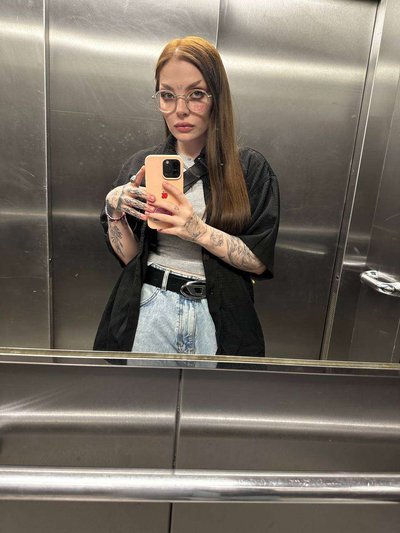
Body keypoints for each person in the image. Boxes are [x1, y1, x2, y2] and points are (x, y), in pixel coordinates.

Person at [93, 36, 279, 359]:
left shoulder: (249, 169)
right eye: (167, 95)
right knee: (142, 392)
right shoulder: (141, 167)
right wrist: (114, 212)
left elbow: (258, 261)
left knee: (217, 393)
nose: (180, 110)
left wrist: (196, 230)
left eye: (196, 94)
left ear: (216, 98)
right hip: (150, 308)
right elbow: (130, 259)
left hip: (219, 316)